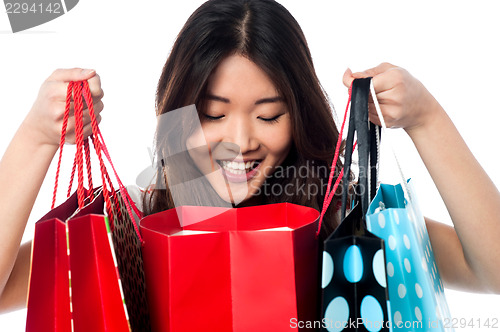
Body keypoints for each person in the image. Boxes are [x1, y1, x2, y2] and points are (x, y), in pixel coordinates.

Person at [1, 0, 500, 317]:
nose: (239, 141)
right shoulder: (135, 220)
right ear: (177, 114)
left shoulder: (343, 216)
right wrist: (36, 138)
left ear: (300, 114)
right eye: (213, 114)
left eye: (268, 115)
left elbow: (491, 270)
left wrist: (427, 118)